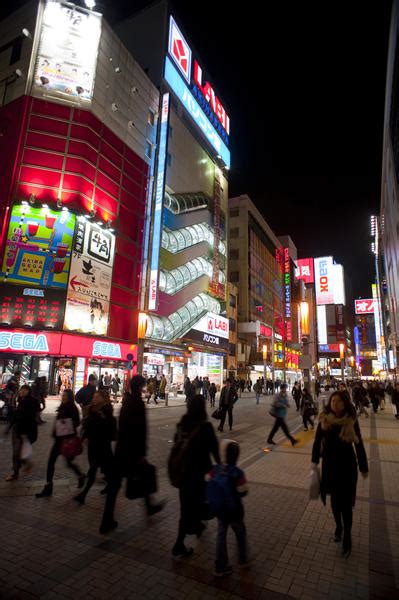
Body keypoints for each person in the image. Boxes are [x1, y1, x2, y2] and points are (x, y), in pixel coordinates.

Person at [100, 375, 163, 534]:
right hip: (132, 452)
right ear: (140, 386)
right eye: (143, 385)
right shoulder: (137, 404)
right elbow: (141, 430)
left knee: (116, 485)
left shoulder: (127, 402)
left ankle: (107, 520)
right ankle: (149, 507)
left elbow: (124, 427)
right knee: (142, 476)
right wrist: (141, 452)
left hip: (122, 450)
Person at [311, 391, 368, 557]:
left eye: (339, 401)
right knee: (335, 503)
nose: (335, 403)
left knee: (346, 504)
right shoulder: (324, 419)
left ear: (345, 403)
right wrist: (314, 462)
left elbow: (359, 443)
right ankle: (339, 526)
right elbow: (316, 442)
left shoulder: (351, 420)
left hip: (347, 466)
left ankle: (348, 537)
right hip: (330, 466)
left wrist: (363, 466)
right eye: (333, 400)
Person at [171, 394, 220, 558]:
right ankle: (181, 541)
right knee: (198, 506)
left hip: (183, 473)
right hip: (199, 475)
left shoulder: (181, 424)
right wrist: (220, 470)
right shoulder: (205, 426)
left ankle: (192, 530)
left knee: (186, 507)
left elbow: (176, 444)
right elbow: (215, 450)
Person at [207, 439, 249, 577]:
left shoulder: (215, 469)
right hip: (235, 510)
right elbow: (243, 490)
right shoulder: (237, 472)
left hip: (220, 510)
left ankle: (220, 565)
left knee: (221, 535)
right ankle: (243, 558)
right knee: (240, 532)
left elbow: (207, 479)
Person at [36, 389, 85, 498]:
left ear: (70, 397)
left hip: (66, 440)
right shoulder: (63, 406)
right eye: (63, 396)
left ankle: (80, 476)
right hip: (59, 440)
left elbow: (76, 422)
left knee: (63, 462)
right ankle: (49, 486)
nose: (63, 397)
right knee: (54, 463)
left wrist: (66, 423)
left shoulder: (72, 407)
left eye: (66, 396)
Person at [74, 390, 117, 504]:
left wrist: (94, 420)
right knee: (107, 470)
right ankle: (110, 484)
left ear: (103, 398)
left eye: (97, 397)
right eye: (94, 396)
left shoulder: (106, 410)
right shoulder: (91, 409)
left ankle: (83, 495)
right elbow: (88, 426)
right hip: (93, 445)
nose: (94, 398)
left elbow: (103, 426)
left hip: (102, 445)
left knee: (92, 470)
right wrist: (84, 437)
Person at [5, 385, 39, 481]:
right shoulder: (21, 401)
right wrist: (9, 428)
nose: (22, 392)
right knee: (17, 452)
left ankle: (19, 470)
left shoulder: (30, 402)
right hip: (18, 430)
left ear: (28, 391)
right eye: (21, 390)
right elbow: (16, 416)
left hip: (24, 432)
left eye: (24, 390)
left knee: (17, 453)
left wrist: (25, 433)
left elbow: (29, 418)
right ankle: (21, 466)